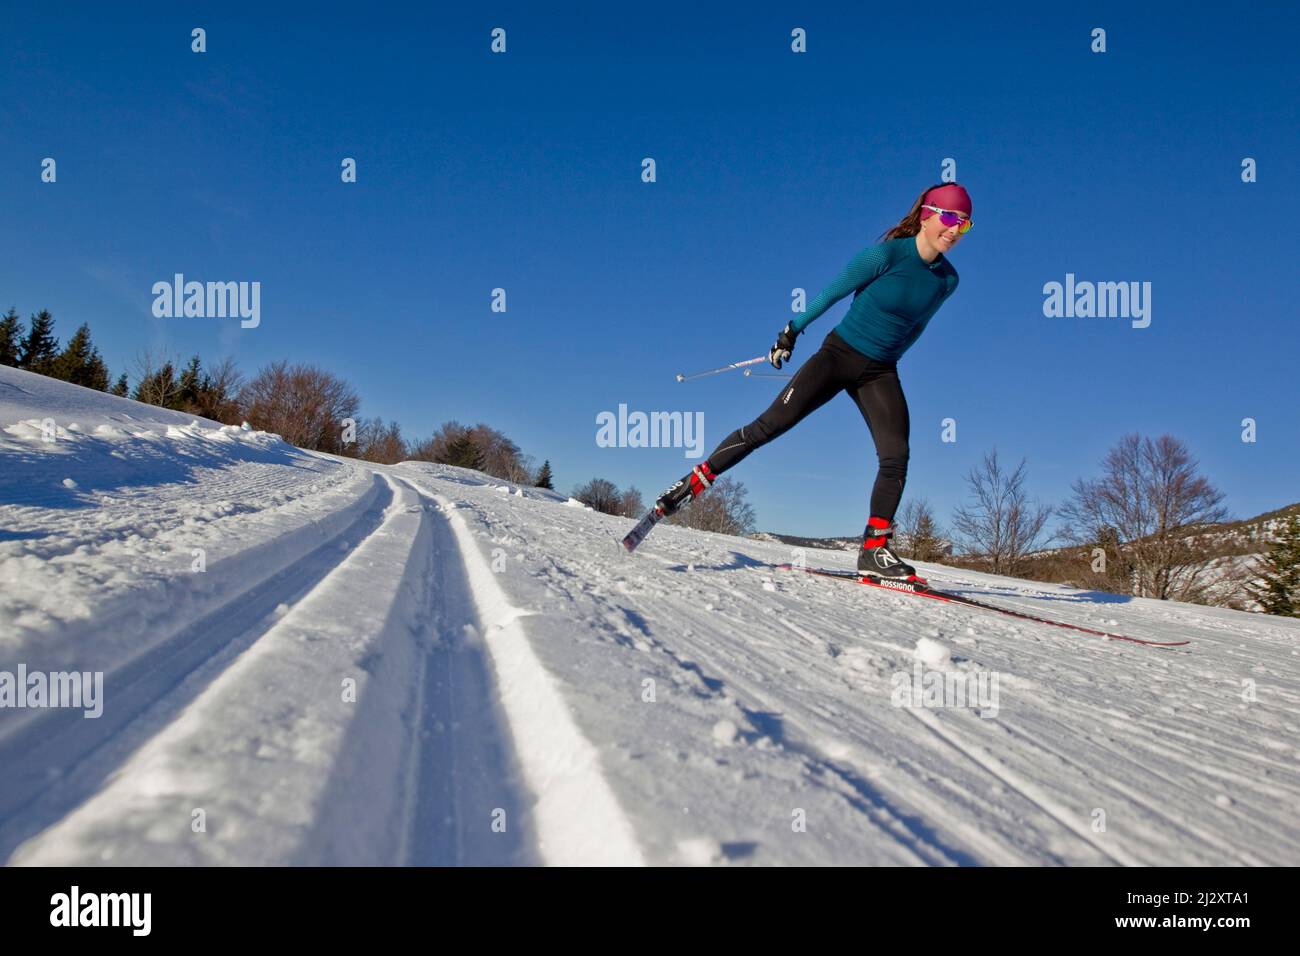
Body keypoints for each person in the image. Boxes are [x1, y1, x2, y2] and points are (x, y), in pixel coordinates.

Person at [652, 183, 971, 580]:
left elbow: (918, 325)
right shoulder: (885, 255)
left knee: (896, 455)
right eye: (950, 218)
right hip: (838, 356)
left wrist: (893, 359)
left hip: (881, 369)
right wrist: (791, 331)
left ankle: (874, 550)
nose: (956, 230)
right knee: (768, 427)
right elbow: (831, 293)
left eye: (965, 224)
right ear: (927, 214)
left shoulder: (947, 281)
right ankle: (692, 482)